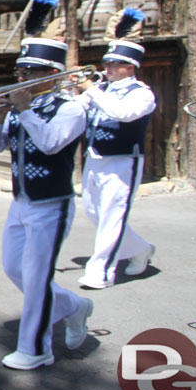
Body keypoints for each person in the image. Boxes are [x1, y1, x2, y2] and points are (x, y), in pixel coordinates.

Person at [0, 37, 94, 370]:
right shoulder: (18, 110)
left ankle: (35, 349)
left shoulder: (71, 108)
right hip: (21, 201)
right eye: (21, 71)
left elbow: (50, 144)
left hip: (52, 204)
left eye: (31, 71)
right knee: (14, 268)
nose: (22, 78)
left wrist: (24, 110)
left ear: (55, 75)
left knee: (36, 276)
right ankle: (73, 306)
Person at [75, 28, 156, 289]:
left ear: (131, 67)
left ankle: (100, 272)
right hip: (95, 158)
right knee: (95, 213)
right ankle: (140, 248)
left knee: (113, 217)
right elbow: (77, 109)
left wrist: (92, 91)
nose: (107, 68)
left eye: (114, 64)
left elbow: (121, 113)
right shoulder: (100, 88)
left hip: (123, 161)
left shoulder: (141, 94)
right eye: (106, 63)